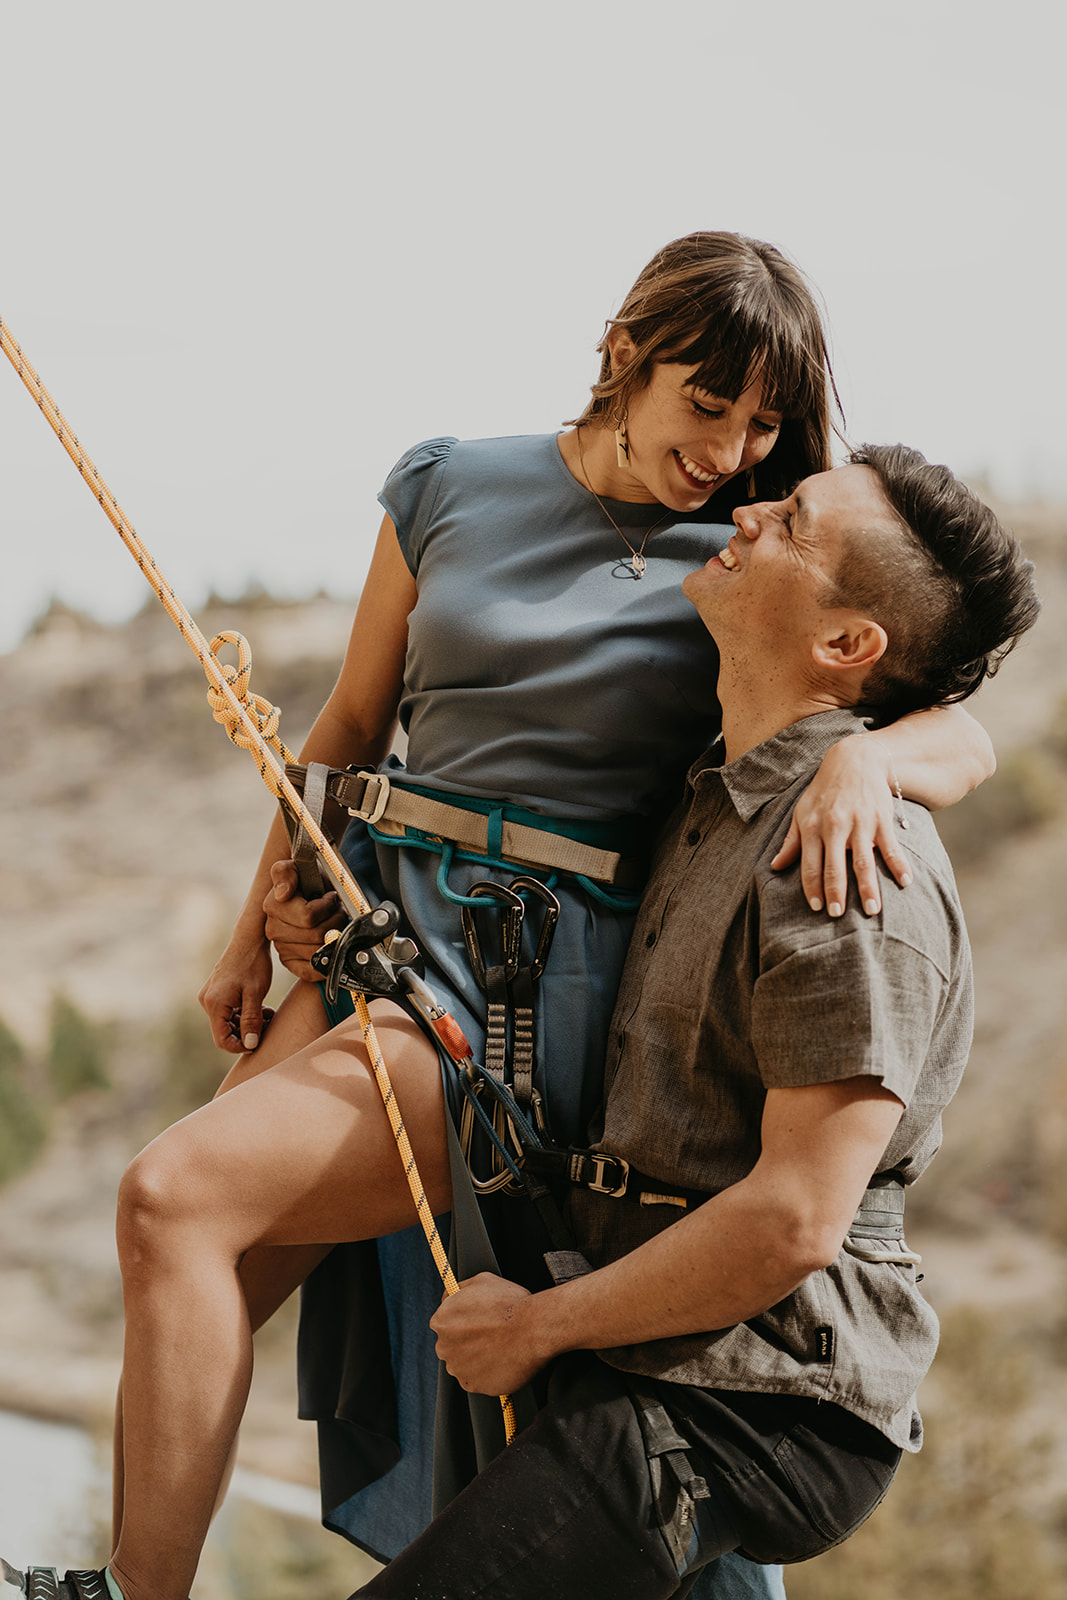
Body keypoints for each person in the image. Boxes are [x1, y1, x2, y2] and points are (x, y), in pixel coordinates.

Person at [1, 239, 993, 1600]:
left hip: (529, 987)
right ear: (627, 351)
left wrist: (868, 763)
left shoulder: (753, 560)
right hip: (369, 917)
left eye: (761, 425)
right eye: (708, 406)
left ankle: (126, 1598)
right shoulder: (446, 484)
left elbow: (961, 726)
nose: (731, 452)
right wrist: (255, 916)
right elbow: (349, 727)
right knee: (196, 1263)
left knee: (170, 1198)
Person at [352, 444, 1040, 1595]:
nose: (751, 509)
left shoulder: (850, 867)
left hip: (762, 1394)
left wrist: (542, 1327)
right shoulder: (721, 787)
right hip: (653, 1342)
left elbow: (791, 1221)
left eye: (792, 518)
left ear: (845, 645)